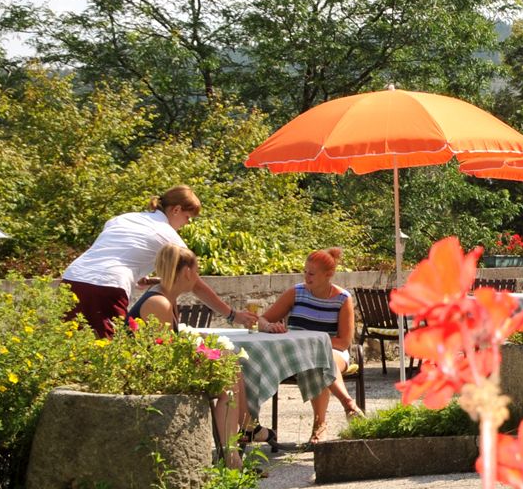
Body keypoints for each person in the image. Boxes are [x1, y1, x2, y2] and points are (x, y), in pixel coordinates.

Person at [62, 186, 258, 338]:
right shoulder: (167, 235)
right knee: (106, 350)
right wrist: (232, 315)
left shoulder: (124, 218)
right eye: (187, 217)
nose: (187, 223)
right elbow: (194, 283)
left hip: (72, 278)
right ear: (176, 209)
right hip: (107, 285)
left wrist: (140, 275)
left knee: (73, 341)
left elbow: (111, 252)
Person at [123, 243, 252, 468]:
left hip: (156, 366)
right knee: (227, 379)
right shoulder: (159, 302)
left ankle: (245, 435)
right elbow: (164, 356)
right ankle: (234, 456)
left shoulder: (165, 297)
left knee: (230, 364)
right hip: (147, 373)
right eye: (197, 270)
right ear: (187, 272)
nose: (198, 276)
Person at [260, 247, 363, 444]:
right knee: (315, 361)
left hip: (333, 352)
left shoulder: (343, 299)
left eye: (312, 273)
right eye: (305, 272)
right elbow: (263, 319)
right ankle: (347, 405)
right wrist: (270, 326)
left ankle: (320, 424)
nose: (307, 277)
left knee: (319, 359)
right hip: (296, 356)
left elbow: (343, 341)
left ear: (329, 275)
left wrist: (313, 345)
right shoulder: (296, 293)